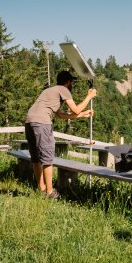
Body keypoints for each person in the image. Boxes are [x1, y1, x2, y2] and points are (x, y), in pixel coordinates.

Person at [25, 70, 96, 198]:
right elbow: (75, 109)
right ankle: (50, 192)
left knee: (36, 158)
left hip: (30, 122)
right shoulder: (63, 90)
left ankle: (41, 190)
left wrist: (82, 114)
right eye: (71, 82)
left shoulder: (50, 91)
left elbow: (61, 115)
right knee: (47, 157)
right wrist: (89, 96)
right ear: (68, 82)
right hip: (42, 123)